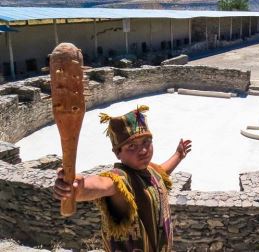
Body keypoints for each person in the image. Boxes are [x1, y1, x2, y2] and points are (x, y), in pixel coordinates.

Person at [53, 105, 192, 252]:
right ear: (118, 153)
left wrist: (178, 155)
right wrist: (78, 188)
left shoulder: (150, 169)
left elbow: (162, 172)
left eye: (146, 141)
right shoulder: (121, 178)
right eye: (132, 146)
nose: (143, 151)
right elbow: (102, 184)